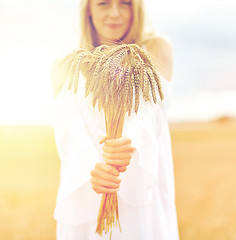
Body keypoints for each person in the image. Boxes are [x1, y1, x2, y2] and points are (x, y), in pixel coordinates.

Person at [52, 0, 179, 239]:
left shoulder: (155, 47)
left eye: (125, 3)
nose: (115, 14)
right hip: (87, 191)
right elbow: (68, 125)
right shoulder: (64, 64)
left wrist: (128, 143)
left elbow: (150, 110)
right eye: (103, 3)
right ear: (88, 9)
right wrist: (91, 166)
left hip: (139, 190)